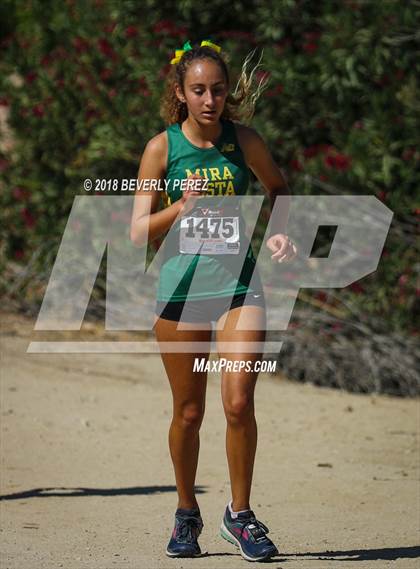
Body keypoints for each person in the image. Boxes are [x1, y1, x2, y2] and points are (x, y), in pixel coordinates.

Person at [130, 39, 297, 562]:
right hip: (180, 293)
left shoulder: (243, 141)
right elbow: (137, 233)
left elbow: (281, 190)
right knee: (188, 412)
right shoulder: (162, 148)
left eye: (218, 90)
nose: (210, 100)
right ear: (180, 93)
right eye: (199, 90)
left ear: (228, 94)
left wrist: (281, 233)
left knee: (239, 402)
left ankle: (240, 515)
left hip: (238, 286)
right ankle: (186, 513)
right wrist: (180, 207)